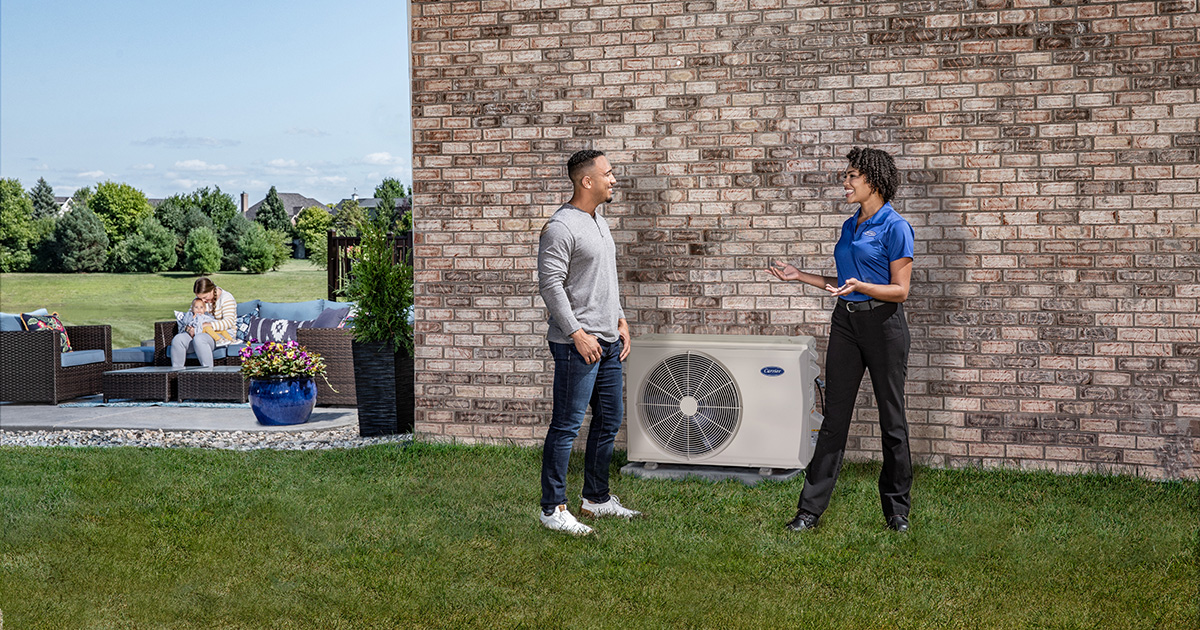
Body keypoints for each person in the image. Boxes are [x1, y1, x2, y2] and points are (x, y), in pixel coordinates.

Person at [767, 147, 915, 533]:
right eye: (846, 176)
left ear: (874, 181)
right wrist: (800, 276)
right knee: (834, 420)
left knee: (892, 422)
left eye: (852, 176)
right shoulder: (851, 225)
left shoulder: (895, 226)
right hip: (846, 324)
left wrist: (863, 286)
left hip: (885, 327)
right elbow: (842, 285)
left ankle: (897, 512)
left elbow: (901, 290)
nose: (845, 182)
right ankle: (808, 512)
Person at [536, 149, 641, 536]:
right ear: (587, 181)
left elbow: (604, 279)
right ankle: (553, 508)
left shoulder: (599, 221)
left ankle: (596, 498)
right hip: (576, 345)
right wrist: (576, 334)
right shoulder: (560, 227)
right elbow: (550, 285)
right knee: (566, 426)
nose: (613, 179)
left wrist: (621, 319)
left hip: (609, 341)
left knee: (609, 420)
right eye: (608, 174)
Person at [170, 277, 237, 368]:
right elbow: (189, 317)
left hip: (220, 336)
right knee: (178, 339)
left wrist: (207, 325)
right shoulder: (200, 299)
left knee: (199, 339)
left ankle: (207, 373)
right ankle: (176, 374)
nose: (203, 301)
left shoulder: (226, 298)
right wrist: (189, 329)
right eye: (199, 298)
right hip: (198, 333)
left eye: (205, 297)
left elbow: (228, 322)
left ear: (212, 290)